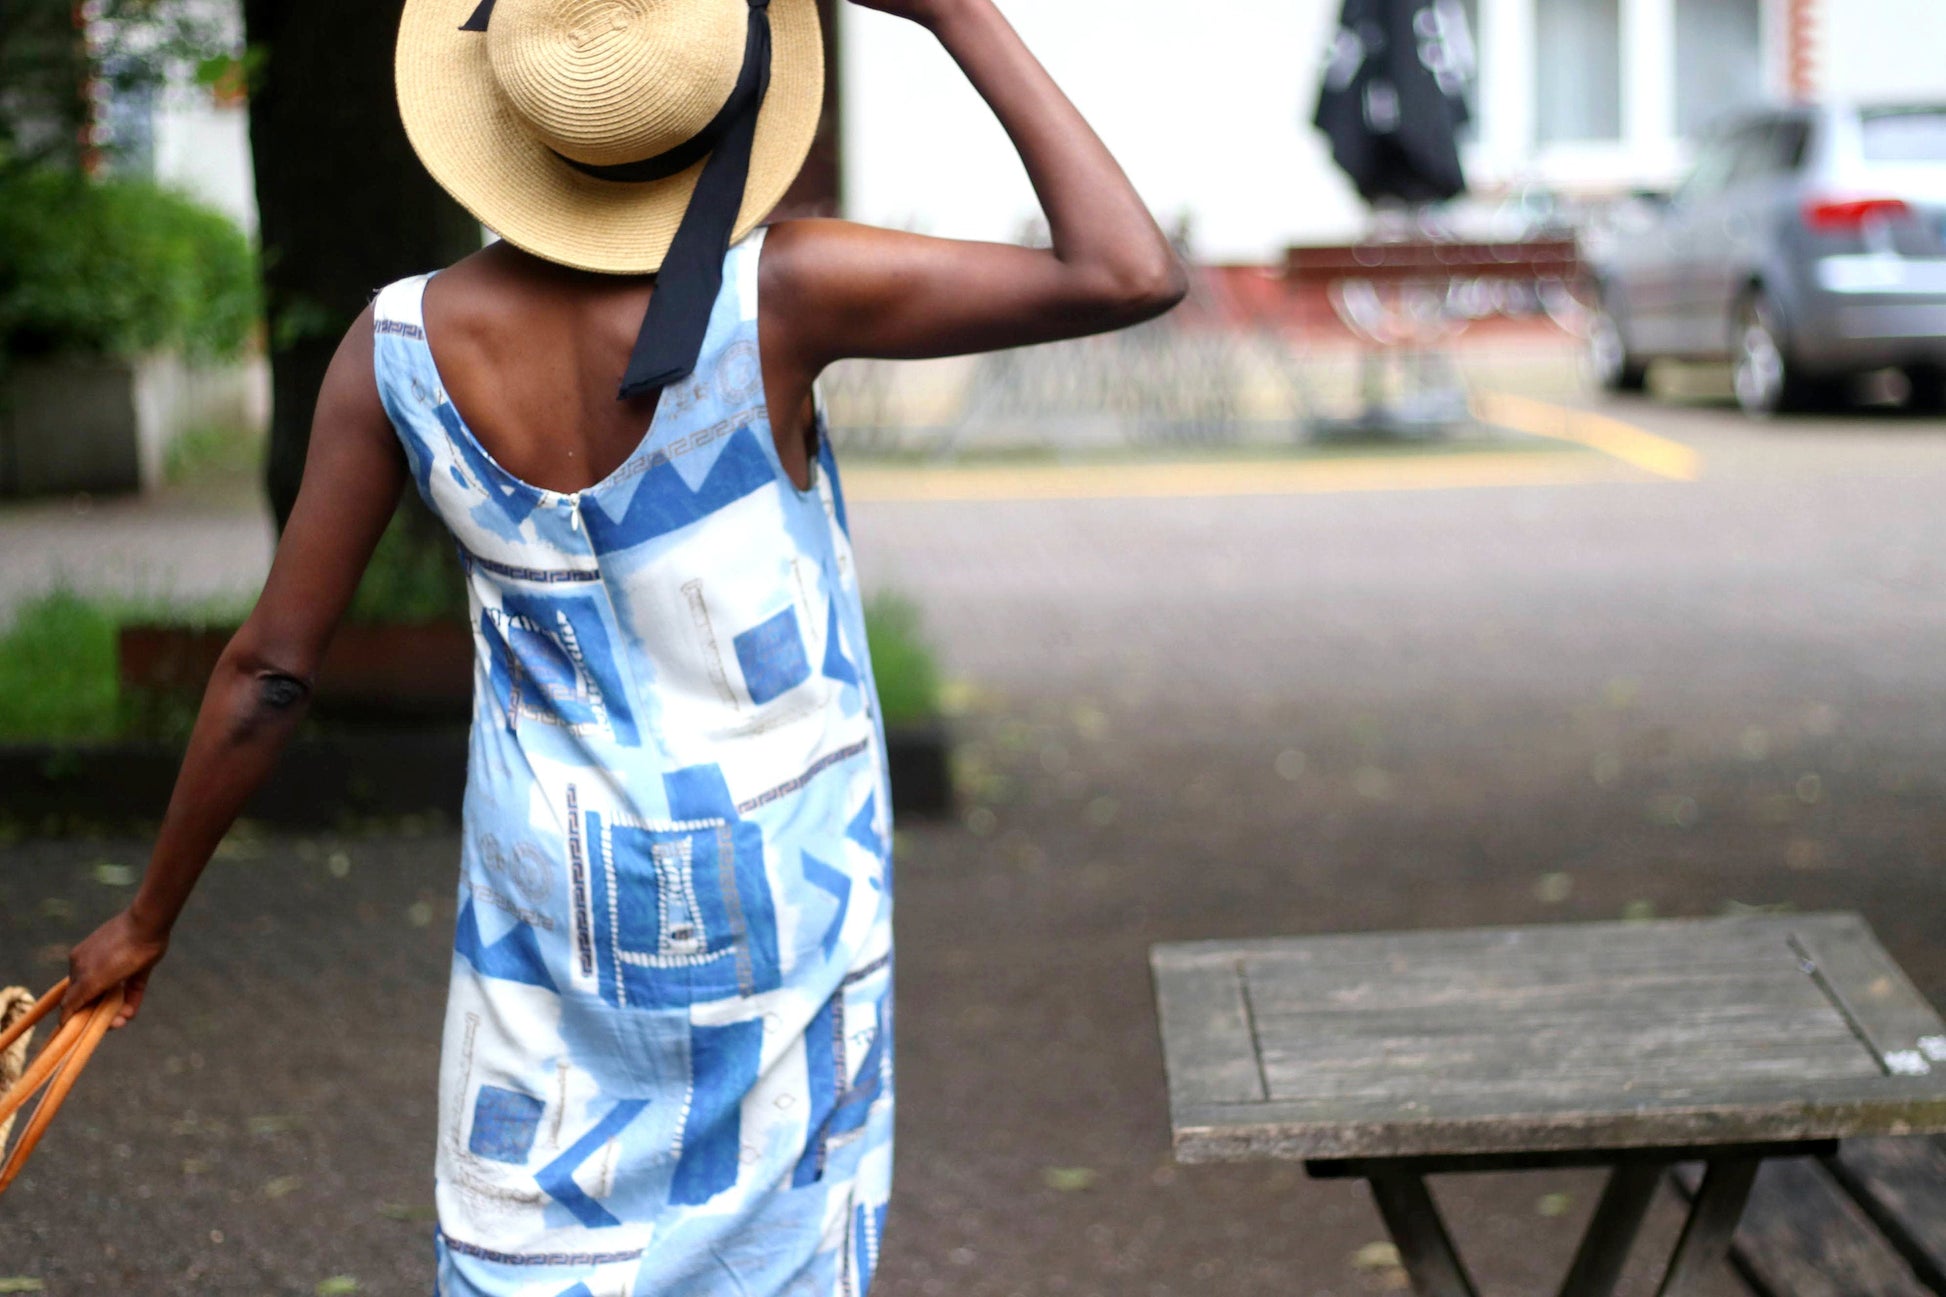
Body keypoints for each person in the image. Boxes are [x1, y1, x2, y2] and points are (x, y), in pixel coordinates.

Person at [60, 0, 1184, 1291]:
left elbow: (270, 672)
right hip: (781, 889)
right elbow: (1126, 268)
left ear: (505, 113)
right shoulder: (787, 294)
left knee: (534, 1229)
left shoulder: (400, 345)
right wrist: (951, 16)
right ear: (719, 104)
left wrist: (147, 917)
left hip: (555, 902)